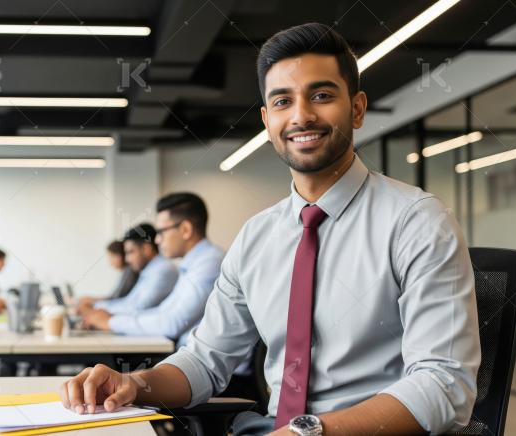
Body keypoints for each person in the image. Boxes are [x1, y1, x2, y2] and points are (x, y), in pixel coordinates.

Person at [59, 23, 480, 436]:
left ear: (356, 108)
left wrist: (308, 432)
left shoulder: (417, 221)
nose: (301, 115)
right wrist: (137, 384)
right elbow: (205, 361)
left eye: (321, 95)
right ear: (266, 119)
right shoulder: (257, 237)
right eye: (282, 101)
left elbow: (443, 384)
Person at [82, 194, 224, 348]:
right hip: (188, 354)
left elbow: (173, 323)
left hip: (212, 366)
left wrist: (111, 321)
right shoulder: (192, 264)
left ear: (185, 229)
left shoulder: (210, 263)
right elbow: (163, 312)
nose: (157, 240)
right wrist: (109, 318)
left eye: (161, 232)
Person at [79, 223, 178, 319]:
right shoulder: (148, 271)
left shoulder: (163, 270)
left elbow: (139, 308)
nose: (127, 259)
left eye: (130, 252)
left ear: (146, 249)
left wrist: (95, 309)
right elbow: (128, 302)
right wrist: (96, 307)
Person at [75, 241, 139, 310]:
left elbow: (116, 298)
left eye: (111, 256)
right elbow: (114, 297)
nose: (110, 261)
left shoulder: (130, 271)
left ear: (120, 256)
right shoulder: (126, 272)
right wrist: (92, 299)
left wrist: (93, 300)